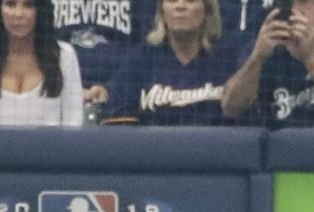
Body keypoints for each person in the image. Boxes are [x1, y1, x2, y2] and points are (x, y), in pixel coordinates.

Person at [102, 0, 241, 126]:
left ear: (207, 11)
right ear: (162, 12)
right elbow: (120, 119)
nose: (180, 6)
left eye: (190, 1)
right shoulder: (139, 59)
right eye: (171, 0)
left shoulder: (227, 59)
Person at [0, 0, 84, 126]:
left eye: (28, 5)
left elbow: (73, 123)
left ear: (40, 11)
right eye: (10, 4)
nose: (18, 14)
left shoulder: (64, 56)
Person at [52, 0, 157, 105]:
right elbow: (41, 45)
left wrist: (109, 90)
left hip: (121, 95)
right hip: (57, 91)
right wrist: (68, 89)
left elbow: (149, 47)